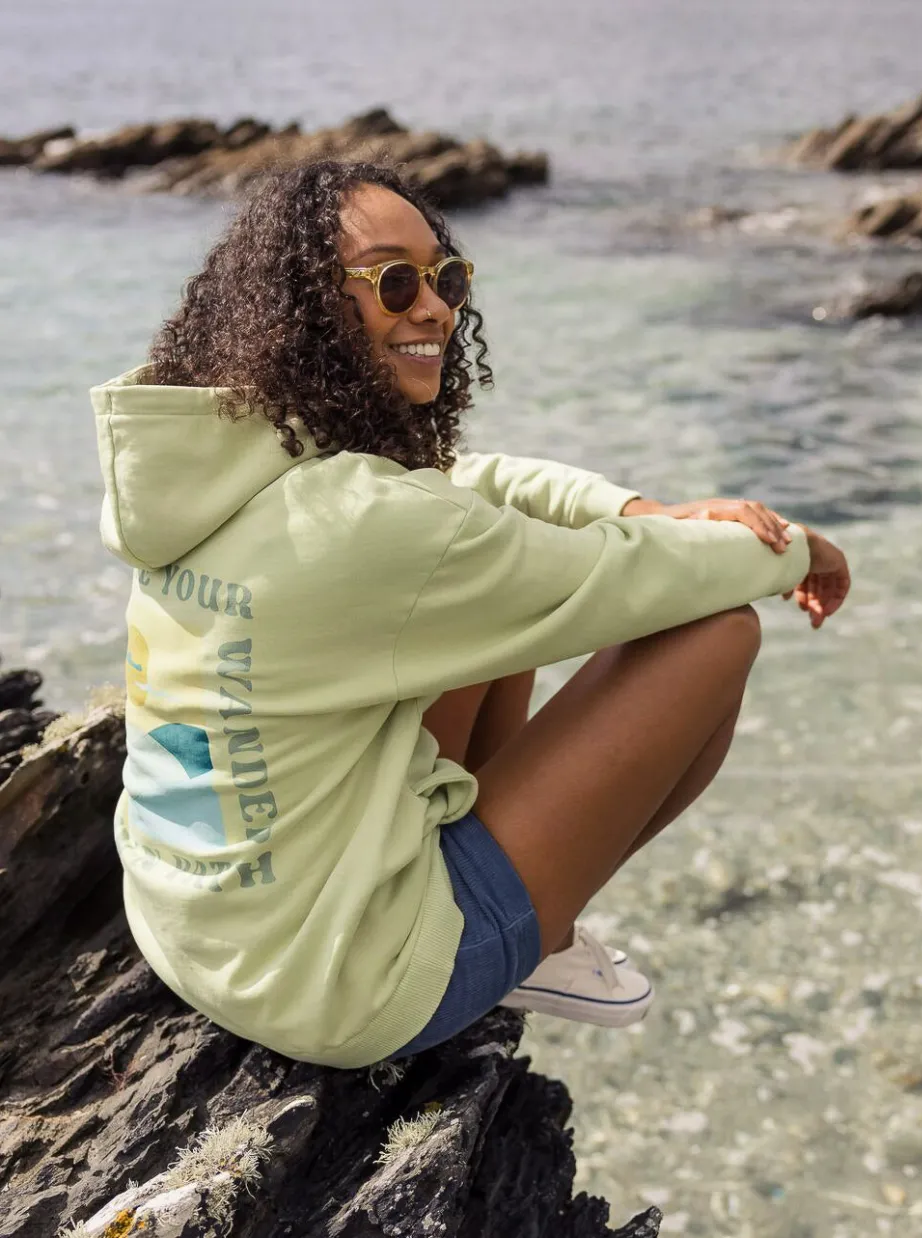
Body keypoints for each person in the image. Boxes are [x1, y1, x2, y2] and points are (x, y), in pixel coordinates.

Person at [91, 159, 850, 1069]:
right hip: (344, 991)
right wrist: (797, 549)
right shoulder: (371, 524)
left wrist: (640, 510)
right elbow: (623, 578)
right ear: (304, 305)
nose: (436, 310)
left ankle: (510, 901)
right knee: (714, 631)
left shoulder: (214, 473)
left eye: (445, 278)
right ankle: (542, 937)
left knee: (485, 597)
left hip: (192, 931)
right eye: (393, 281)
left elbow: (469, 489)